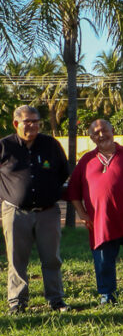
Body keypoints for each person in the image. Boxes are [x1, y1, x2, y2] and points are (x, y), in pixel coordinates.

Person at [65, 119, 123, 306]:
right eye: (96, 133)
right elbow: (73, 192)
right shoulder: (86, 161)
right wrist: (83, 215)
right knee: (103, 263)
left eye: (104, 130)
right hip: (101, 223)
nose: (101, 135)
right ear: (91, 137)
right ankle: (107, 296)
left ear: (113, 131)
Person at [0, 105, 70, 313]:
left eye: (36, 121)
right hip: (15, 212)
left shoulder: (50, 145)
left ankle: (56, 300)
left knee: (52, 259)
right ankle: (17, 302)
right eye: (27, 121)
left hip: (47, 212)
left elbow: (62, 173)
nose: (32, 125)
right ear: (16, 123)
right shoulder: (4, 146)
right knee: (16, 259)